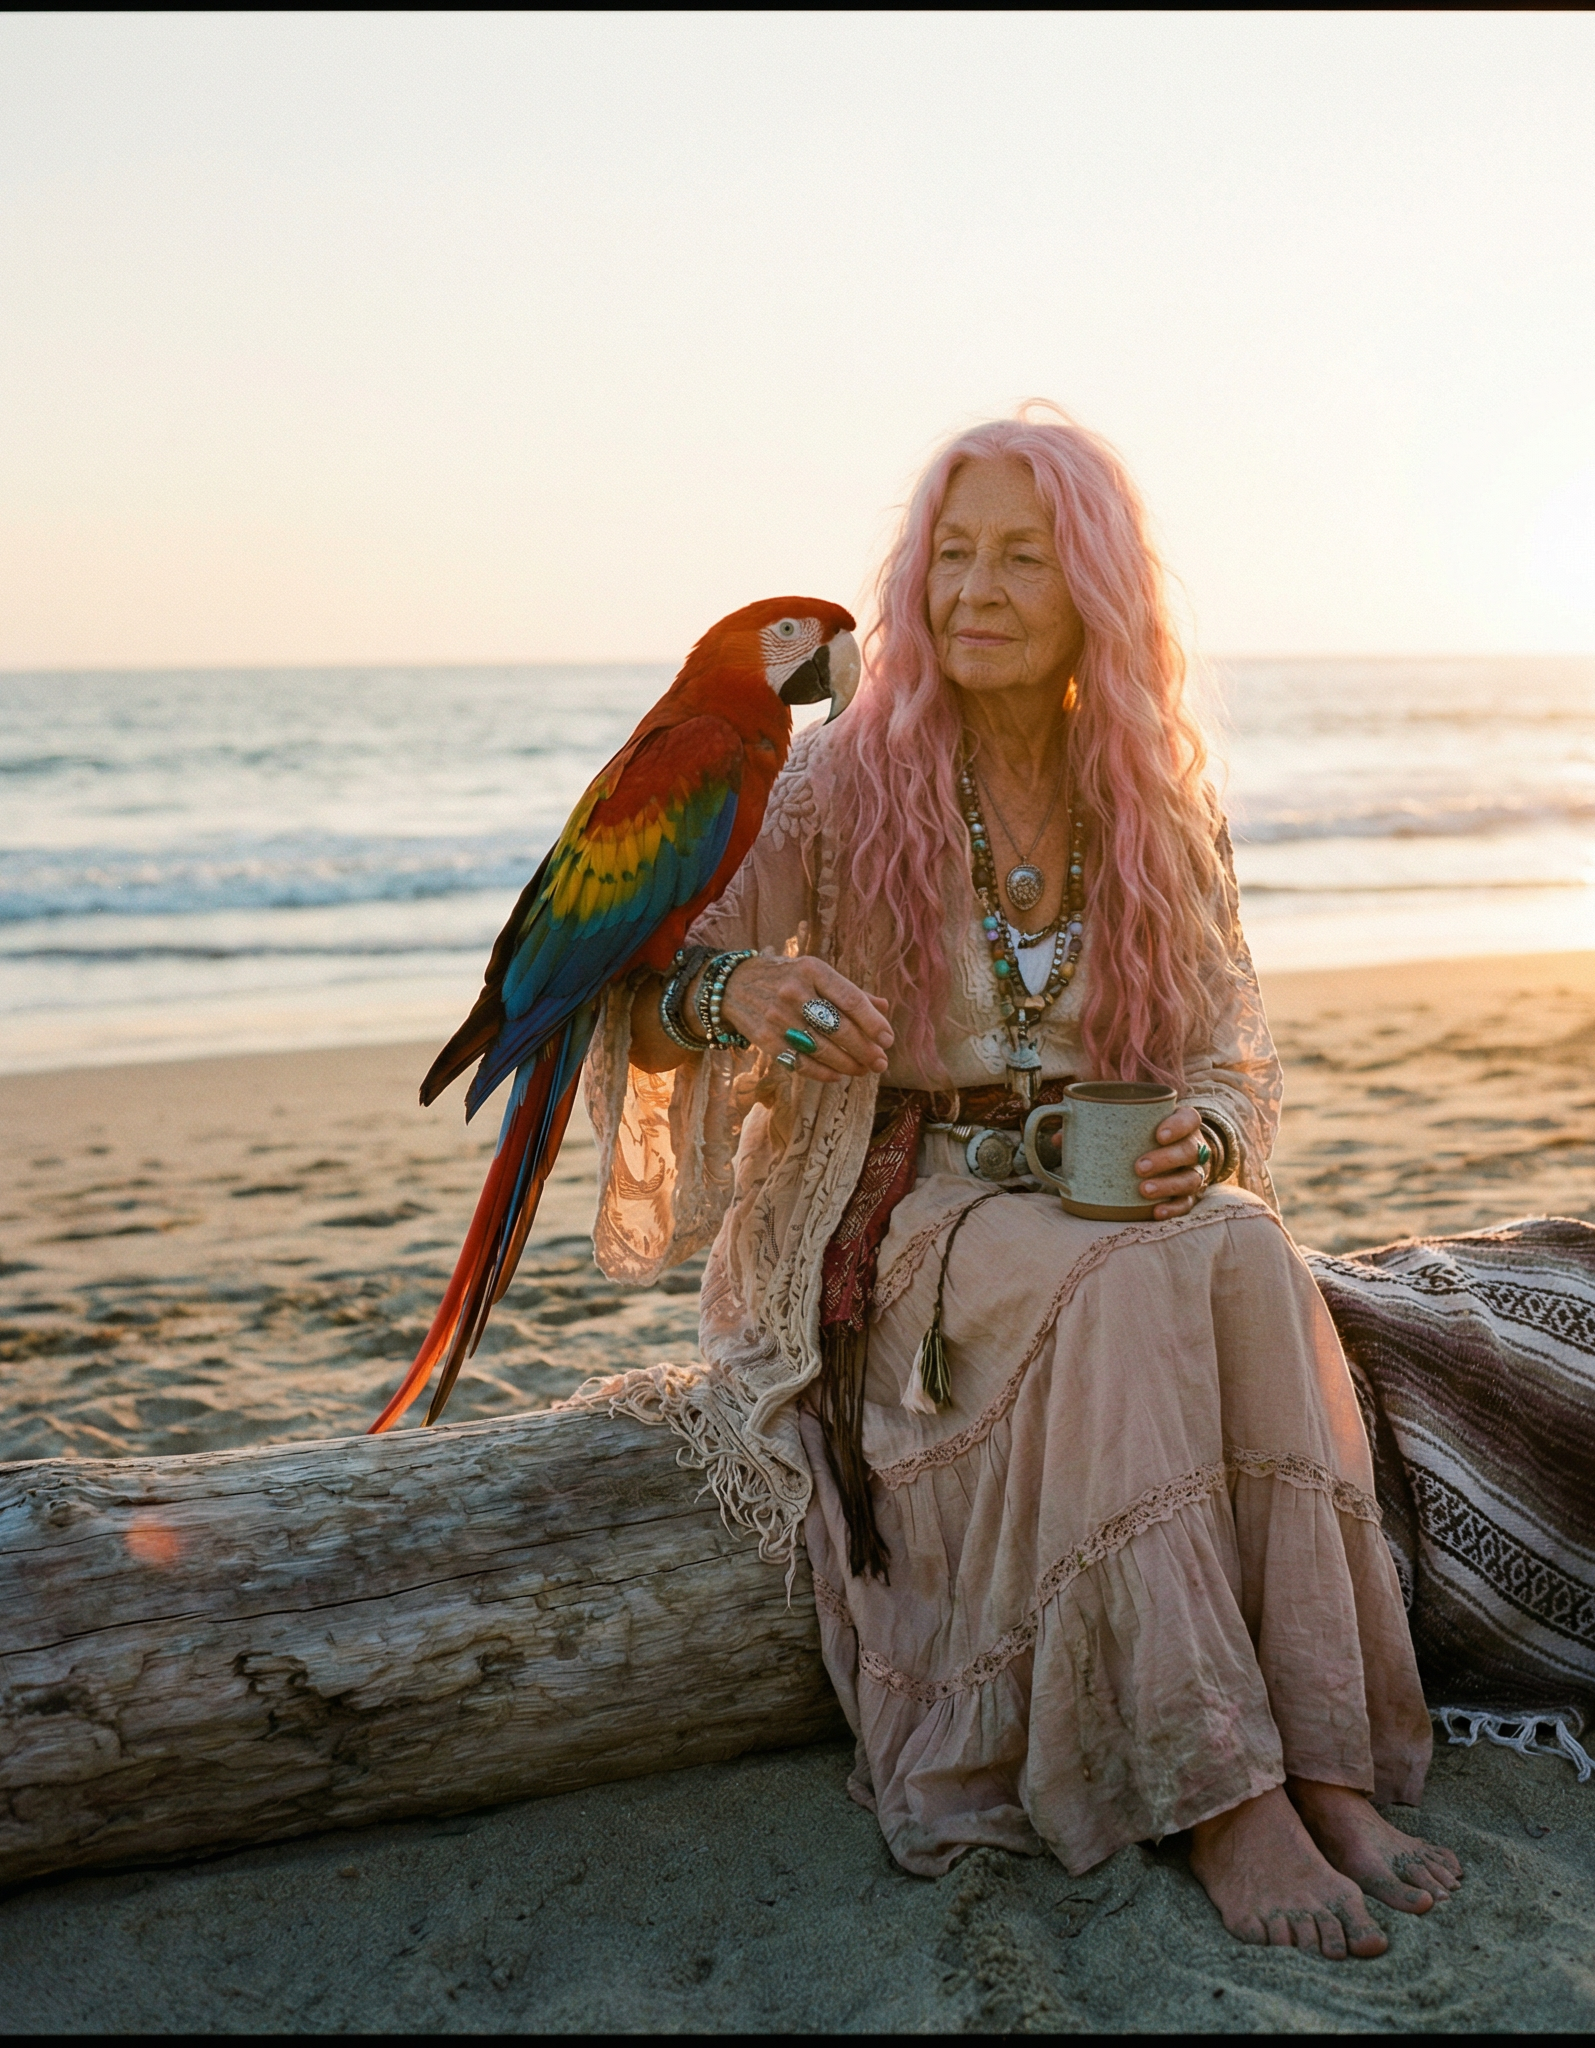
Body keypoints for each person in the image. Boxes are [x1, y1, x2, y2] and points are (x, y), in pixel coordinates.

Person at [587, 408, 1461, 1958]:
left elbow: (1226, 1053)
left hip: (1104, 1195)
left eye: (1020, 559)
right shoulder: (829, 786)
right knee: (1122, 1279)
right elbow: (645, 999)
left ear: (1095, 596)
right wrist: (749, 999)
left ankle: (1323, 1764)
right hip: (901, 1207)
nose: (970, 592)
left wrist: (1209, 1139)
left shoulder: (1150, 798)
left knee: (1252, 1251)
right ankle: (1225, 1798)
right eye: (951, 557)